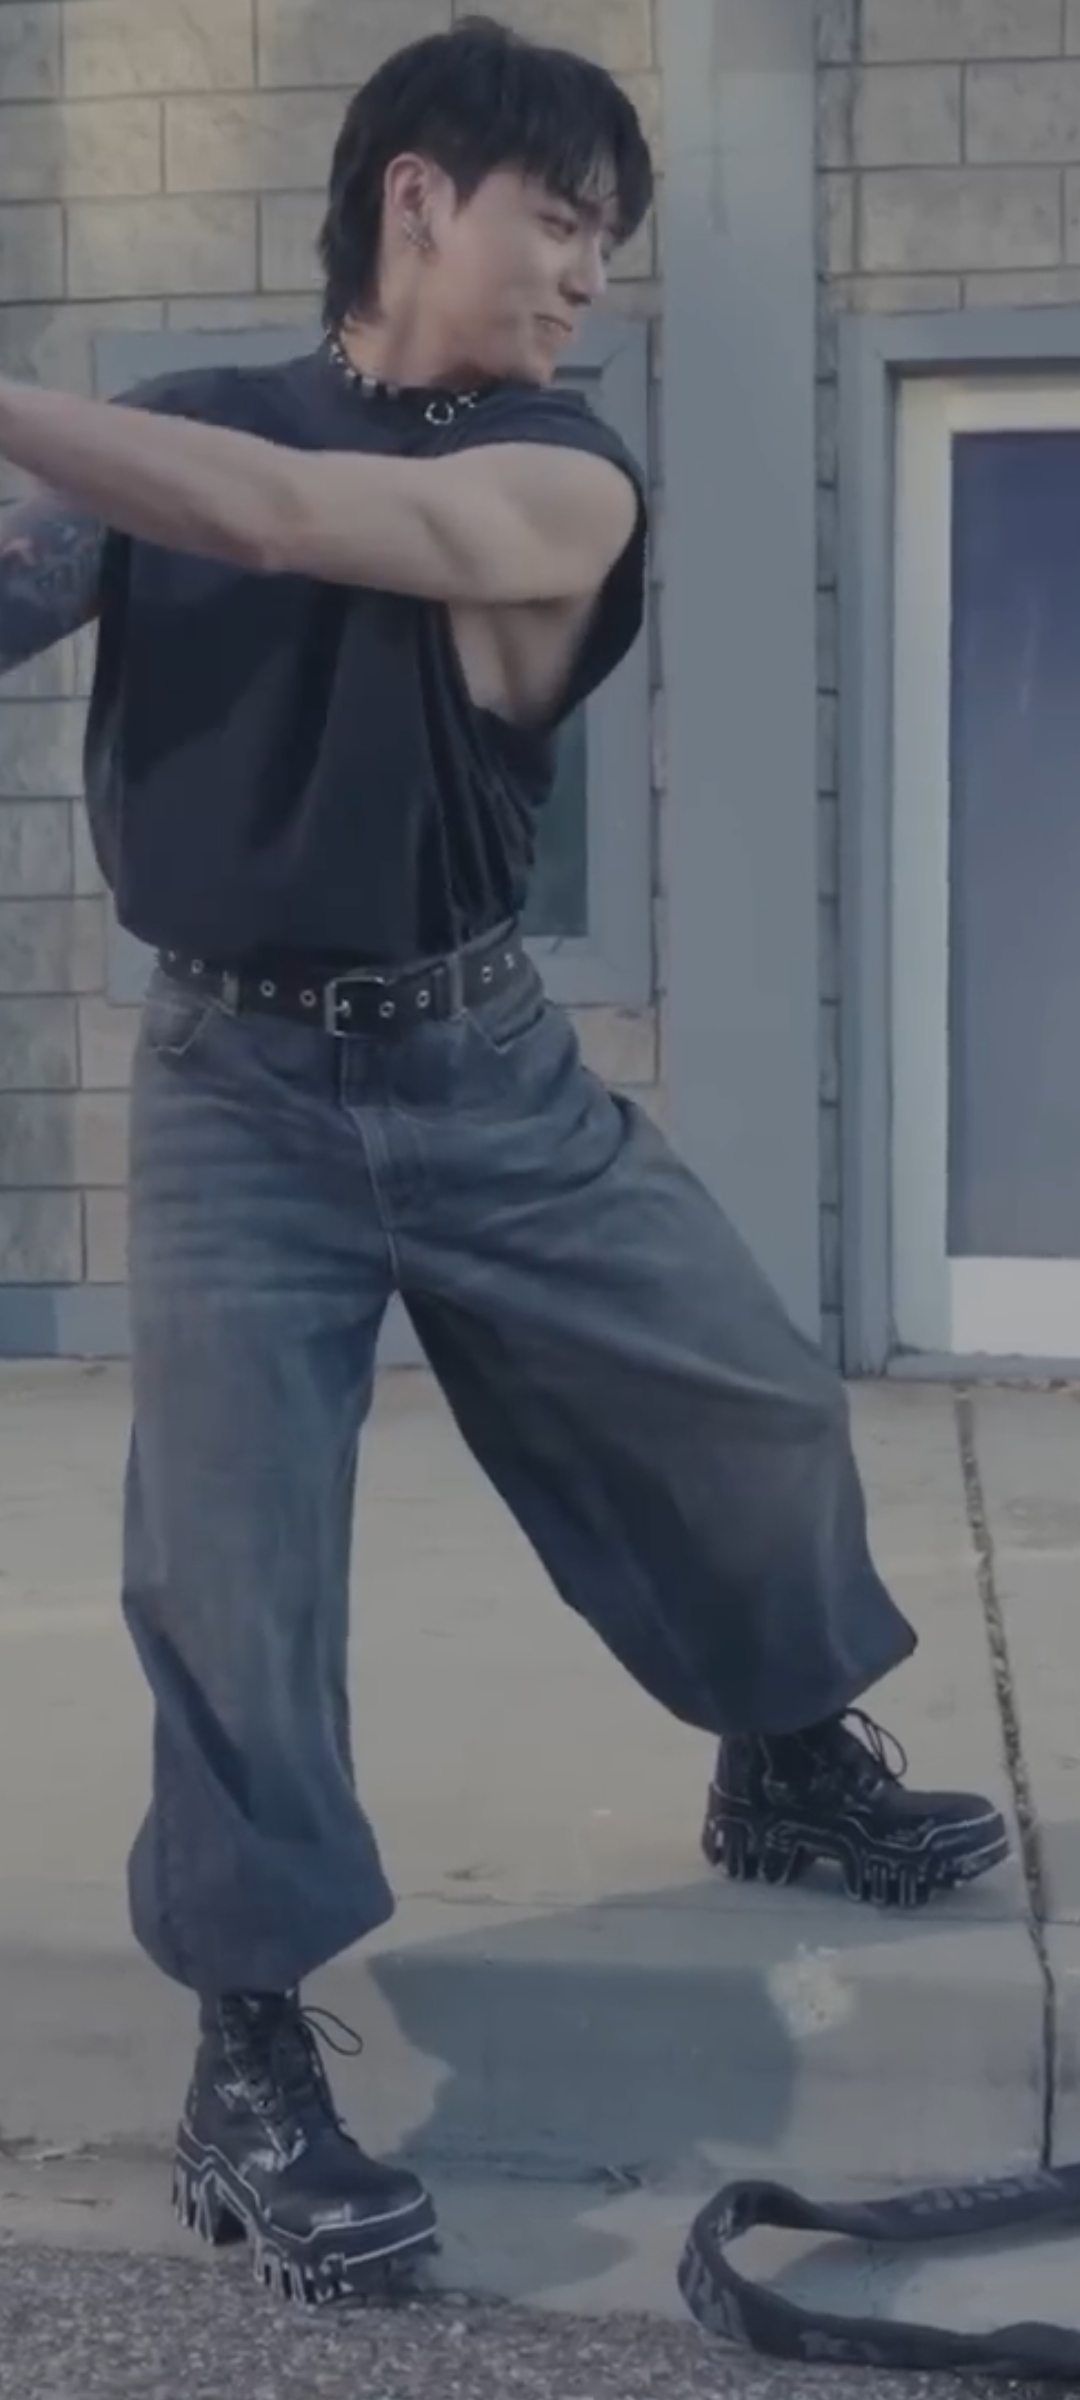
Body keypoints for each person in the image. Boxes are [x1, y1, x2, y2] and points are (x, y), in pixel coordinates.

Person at [0, 15, 1007, 2312]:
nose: (587, 274)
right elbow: (51, 556)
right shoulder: (184, 429)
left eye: (609, 241)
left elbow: (291, 525)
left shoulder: (566, 471)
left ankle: (785, 1755)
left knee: (748, 1406)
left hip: (479, 1067)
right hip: (231, 1091)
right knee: (230, 1575)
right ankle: (251, 2054)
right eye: (559, 220)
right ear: (417, 194)